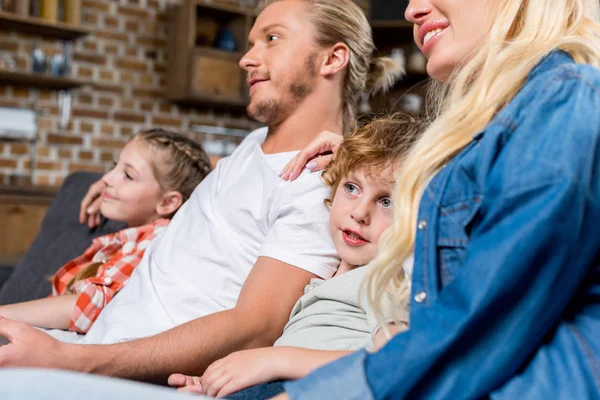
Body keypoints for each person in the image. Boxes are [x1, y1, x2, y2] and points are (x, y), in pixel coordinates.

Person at [0, 0, 402, 382]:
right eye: (250, 44)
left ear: (332, 58)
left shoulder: (325, 186)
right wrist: (115, 184)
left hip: (125, 371)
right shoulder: (253, 145)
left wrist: (73, 362)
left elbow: (255, 328)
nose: (247, 58)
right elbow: (208, 189)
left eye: (272, 39)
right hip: (93, 344)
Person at [272, 0, 600, 399]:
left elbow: (482, 327)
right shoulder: (505, 127)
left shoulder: (563, 98)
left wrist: (308, 392)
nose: (412, 10)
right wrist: (358, 158)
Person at [168, 114, 426, 399]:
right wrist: (220, 381)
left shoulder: (384, 278)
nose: (359, 212)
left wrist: (272, 360)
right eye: (351, 188)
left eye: (387, 201)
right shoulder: (327, 282)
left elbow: (393, 360)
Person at [0, 128, 211, 337]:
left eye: (128, 175)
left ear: (167, 202)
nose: (107, 178)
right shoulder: (123, 240)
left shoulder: (157, 241)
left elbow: (89, 305)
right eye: (114, 167)